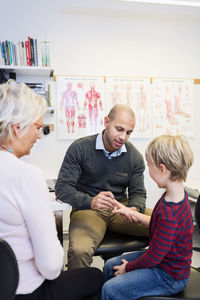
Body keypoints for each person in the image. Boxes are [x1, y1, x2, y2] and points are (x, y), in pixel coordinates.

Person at [0, 80, 104, 300]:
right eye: (38, 127)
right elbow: (51, 267)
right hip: (24, 291)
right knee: (96, 277)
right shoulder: (26, 175)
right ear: (17, 127)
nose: (40, 135)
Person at [55, 104, 151, 270]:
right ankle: (78, 292)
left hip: (121, 209)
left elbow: (138, 192)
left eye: (128, 132)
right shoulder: (80, 148)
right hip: (88, 209)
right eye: (119, 129)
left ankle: (149, 278)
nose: (123, 137)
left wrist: (134, 208)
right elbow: (63, 188)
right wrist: (91, 201)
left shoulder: (134, 156)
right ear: (106, 122)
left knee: (171, 226)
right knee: (79, 250)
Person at [101, 134, 194, 300]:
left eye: (150, 165)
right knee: (110, 266)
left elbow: (153, 257)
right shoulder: (173, 196)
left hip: (169, 276)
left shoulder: (171, 213)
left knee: (110, 289)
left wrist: (128, 268)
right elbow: (161, 226)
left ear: (163, 169)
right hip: (162, 262)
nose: (148, 170)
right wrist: (132, 212)